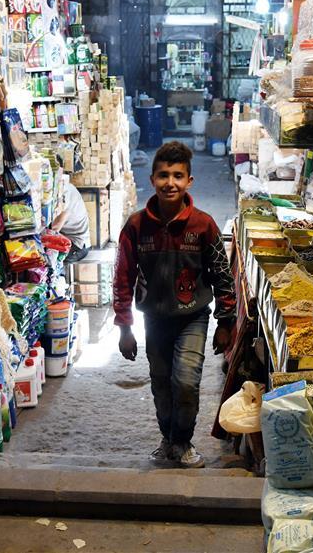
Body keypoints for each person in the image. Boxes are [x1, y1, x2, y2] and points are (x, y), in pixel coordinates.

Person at [113, 141, 236, 468]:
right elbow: (122, 278)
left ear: (189, 181)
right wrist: (125, 328)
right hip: (154, 320)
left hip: (193, 318)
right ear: (152, 178)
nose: (171, 182)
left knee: (185, 381)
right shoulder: (137, 227)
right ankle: (167, 438)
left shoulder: (204, 225)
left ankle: (182, 442)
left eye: (178, 176)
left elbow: (222, 275)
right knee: (161, 383)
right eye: (164, 175)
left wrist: (226, 322)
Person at [51, 180, 91, 263]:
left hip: (77, 245)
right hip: (69, 237)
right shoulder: (63, 186)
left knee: (47, 259)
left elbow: (55, 227)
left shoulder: (65, 193)